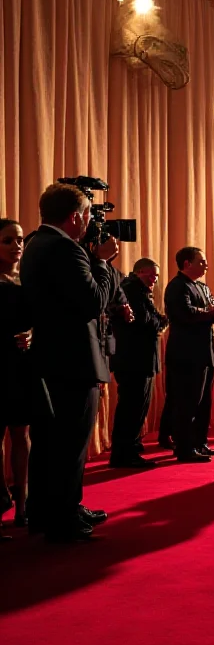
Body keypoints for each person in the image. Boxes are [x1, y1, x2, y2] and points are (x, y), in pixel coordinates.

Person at [20, 184, 117, 542]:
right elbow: (93, 302)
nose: (91, 223)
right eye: (89, 215)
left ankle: (49, 512)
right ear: (75, 216)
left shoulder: (36, 243)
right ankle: (63, 515)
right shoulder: (64, 249)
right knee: (69, 443)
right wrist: (103, 262)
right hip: (72, 361)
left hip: (50, 358)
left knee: (49, 442)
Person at [164, 247, 214, 463]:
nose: (206, 265)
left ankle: (199, 442)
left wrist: (212, 312)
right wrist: (208, 312)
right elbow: (184, 313)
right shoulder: (177, 286)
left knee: (203, 402)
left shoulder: (202, 287)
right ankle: (184, 447)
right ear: (187, 263)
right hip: (186, 354)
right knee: (187, 402)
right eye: (201, 261)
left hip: (205, 352)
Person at [108, 258, 168, 468]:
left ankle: (129, 447)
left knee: (137, 407)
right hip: (133, 359)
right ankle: (124, 453)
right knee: (132, 408)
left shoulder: (137, 290)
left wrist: (158, 321)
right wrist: (160, 321)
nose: (154, 279)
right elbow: (145, 320)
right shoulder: (132, 290)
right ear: (138, 272)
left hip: (138, 358)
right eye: (150, 274)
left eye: (156, 276)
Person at [0, 219, 33, 535]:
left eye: (20, 240)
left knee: (22, 435)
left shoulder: (25, 281)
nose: (16, 246)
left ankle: (23, 505)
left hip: (20, 368)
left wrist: (32, 335)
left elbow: (37, 321)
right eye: (8, 240)